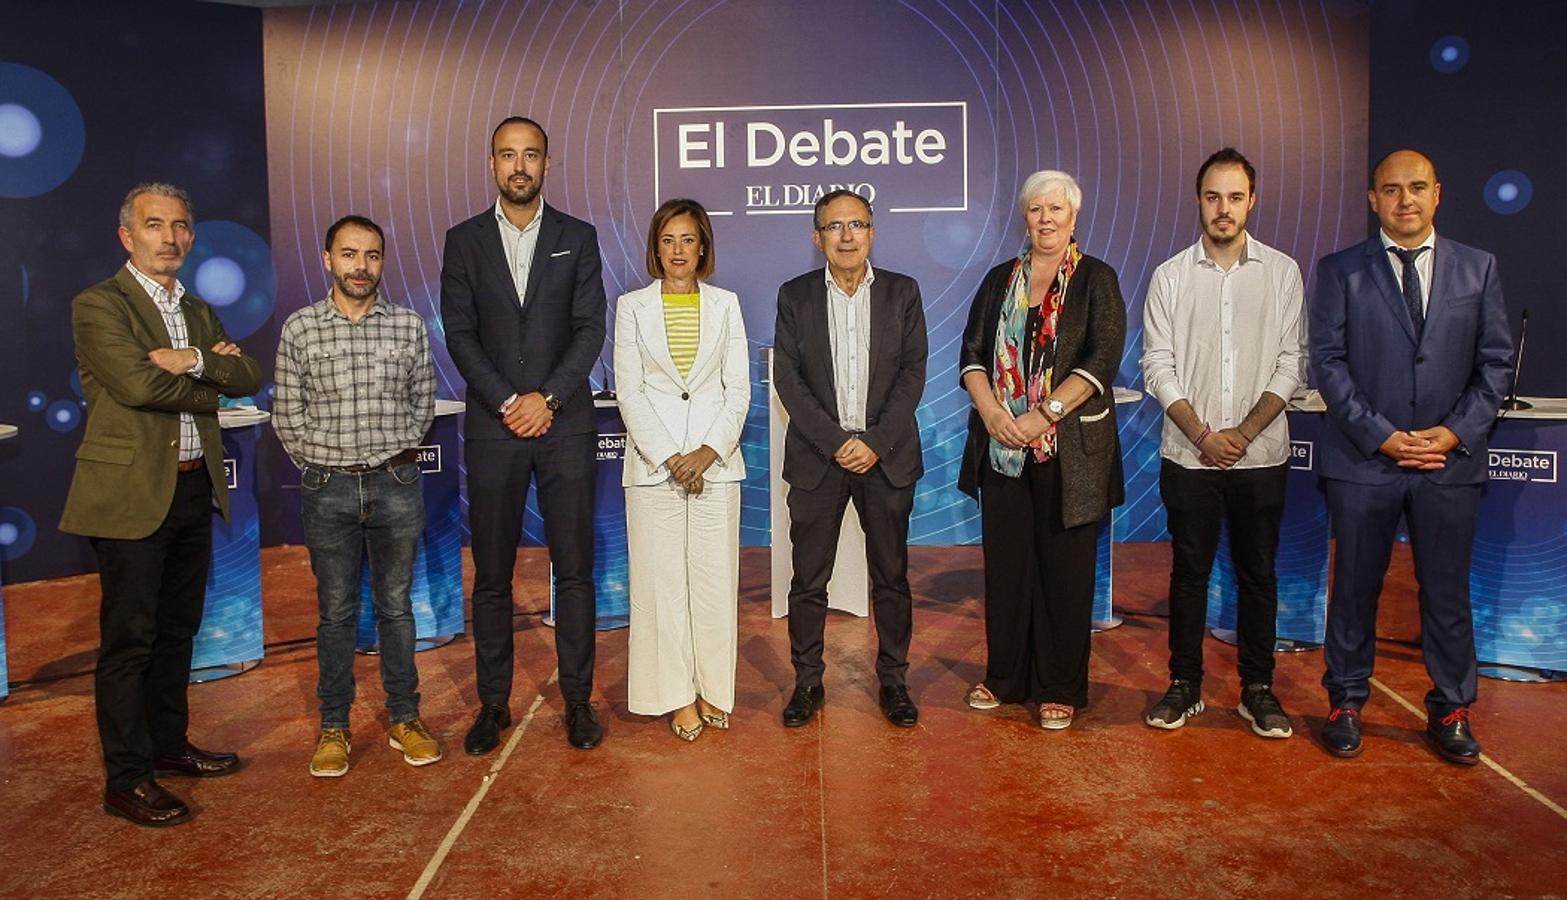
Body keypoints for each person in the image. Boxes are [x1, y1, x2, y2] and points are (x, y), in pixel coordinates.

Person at [61, 182, 261, 826]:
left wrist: (191, 358)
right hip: (128, 497)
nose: (169, 238)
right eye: (154, 225)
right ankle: (126, 778)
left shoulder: (198, 311)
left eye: (179, 226)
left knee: (178, 631)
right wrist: (207, 377)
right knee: (130, 641)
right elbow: (138, 384)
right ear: (128, 235)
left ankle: (168, 747)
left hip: (191, 485)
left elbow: (247, 375)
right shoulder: (98, 305)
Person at [1309, 149, 1512, 764]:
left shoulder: (1478, 269)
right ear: (1373, 199)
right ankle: (1345, 701)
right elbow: (1329, 362)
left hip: (1448, 465)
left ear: (1438, 193)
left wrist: (1452, 434)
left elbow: (1496, 365)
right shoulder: (1340, 270)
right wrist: (1382, 435)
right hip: (1365, 462)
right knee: (1354, 591)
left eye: (1417, 187)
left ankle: (1451, 710)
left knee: (1446, 596)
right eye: (1391, 189)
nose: (1405, 200)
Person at [441, 116, 609, 753]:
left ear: (547, 163)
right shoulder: (463, 240)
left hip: (564, 425)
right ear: (491, 164)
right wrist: (511, 401)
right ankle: (492, 705)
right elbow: (460, 333)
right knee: (491, 576)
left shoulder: (579, 237)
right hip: (495, 427)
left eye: (530, 155)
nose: (519, 166)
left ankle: (577, 701)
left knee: (574, 571)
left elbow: (589, 328)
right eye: (508, 155)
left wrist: (551, 398)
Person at [1139, 148, 1306, 739]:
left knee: (1258, 574)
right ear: (1198, 200)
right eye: (1213, 197)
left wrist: (1241, 433)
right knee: (1188, 573)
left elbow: (1291, 363)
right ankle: (1184, 685)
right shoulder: (1169, 275)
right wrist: (1205, 434)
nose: (1224, 208)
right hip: (1188, 456)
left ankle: (1257, 690)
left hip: (1261, 457)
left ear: (1251, 201)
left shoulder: (1283, 272)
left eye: (1235, 197)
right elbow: (1157, 365)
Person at [274, 215, 443, 776]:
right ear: (328, 260)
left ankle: (405, 718)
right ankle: (333, 727)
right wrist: (316, 462)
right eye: (349, 255)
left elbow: (424, 402)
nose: (361, 267)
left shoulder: (409, 327)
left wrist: (394, 452)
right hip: (327, 487)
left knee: (396, 608)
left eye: (372, 256)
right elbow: (287, 413)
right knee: (336, 613)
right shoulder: (300, 328)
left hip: (396, 483)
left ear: (382, 262)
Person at [957, 170, 1126, 730]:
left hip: (1068, 450)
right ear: (1025, 217)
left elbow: (1101, 362)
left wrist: (1041, 415)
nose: (1046, 219)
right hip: (1001, 446)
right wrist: (994, 415)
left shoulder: (1097, 279)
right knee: (1007, 569)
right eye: (1036, 209)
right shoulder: (999, 279)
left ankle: (1061, 686)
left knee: (1065, 571)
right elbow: (974, 354)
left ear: (1073, 218)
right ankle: (1006, 677)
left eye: (1057, 209)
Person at [772, 189, 927, 729]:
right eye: (834, 226)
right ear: (817, 238)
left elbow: (913, 375)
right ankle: (808, 682)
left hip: (885, 457)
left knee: (891, 578)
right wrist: (836, 442)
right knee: (808, 580)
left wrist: (874, 442)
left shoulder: (903, 293)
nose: (846, 235)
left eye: (856, 224)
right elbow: (787, 379)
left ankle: (894, 683)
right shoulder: (795, 297)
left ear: (872, 232)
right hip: (820, 458)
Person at [614, 199, 750, 741]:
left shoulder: (726, 304)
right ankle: (675, 696)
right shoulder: (631, 307)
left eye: (688, 239)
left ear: (703, 247)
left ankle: (713, 687)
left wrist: (707, 452)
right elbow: (630, 390)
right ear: (655, 247)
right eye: (668, 239)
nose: (678, 250)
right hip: (654, 469)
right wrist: (670, 456)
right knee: (661, 586)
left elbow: (737, 389)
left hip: (715, 466)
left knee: (715, 584)